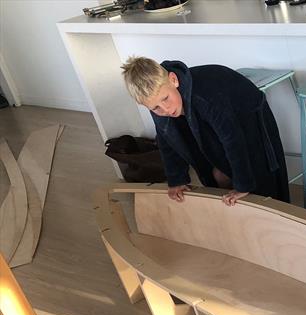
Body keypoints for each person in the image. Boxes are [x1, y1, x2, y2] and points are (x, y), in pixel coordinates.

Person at [121, 56, 290, 206]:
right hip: (213, 119)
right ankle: (233, 210)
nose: (165, 109)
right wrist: (176, 179)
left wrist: (243, 186)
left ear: (174, 80)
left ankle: (271, 215)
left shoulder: (206, 97)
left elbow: (232, 139)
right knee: (218, 173)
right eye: (155, 107)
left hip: (246, 115)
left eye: (166, 99)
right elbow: (167, 139)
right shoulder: (159, 98)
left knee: (259, 174)